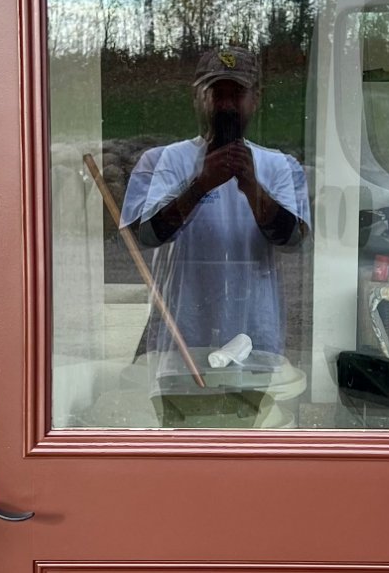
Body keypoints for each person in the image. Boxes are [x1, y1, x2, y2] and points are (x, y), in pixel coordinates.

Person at [119, 47, 310, 408]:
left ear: (256, 99)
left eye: (236, 93)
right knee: (180, 438)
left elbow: (293, 240)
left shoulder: (281, 167)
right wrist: (200, 184)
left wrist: (252, 187)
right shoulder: (161, 162)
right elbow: (144, 238)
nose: (225, 104)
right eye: (215, 93)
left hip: (256, 335)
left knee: (251, 440)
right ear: (197, 97)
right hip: (181, 336)